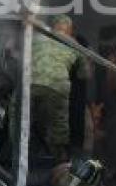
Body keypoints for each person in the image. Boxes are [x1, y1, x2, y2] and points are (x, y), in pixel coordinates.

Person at [30, 14, 92, 161]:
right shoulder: (74, 43)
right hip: (58, 87)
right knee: (59, 128)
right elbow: (85, 74)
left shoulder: (38, 38)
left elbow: (12, 51)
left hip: (31, 83)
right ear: (70, 30)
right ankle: (61, 162)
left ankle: (17, 153)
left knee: (21, 119)